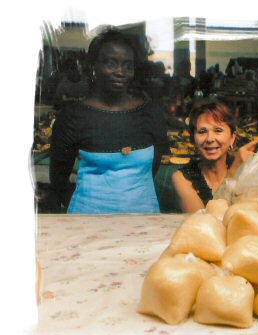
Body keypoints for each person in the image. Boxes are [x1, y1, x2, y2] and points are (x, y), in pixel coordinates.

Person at [50, 28, 169, 214]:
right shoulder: (72, 116)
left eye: (128, 65)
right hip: (87, 225)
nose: (120, 72)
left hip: (145, 223)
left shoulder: (151, 113)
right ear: (93, 66)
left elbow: (153, 167)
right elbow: (58, 179)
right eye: (111, 63)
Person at [171, 100, 258, 213]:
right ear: (193, 139)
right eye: (202, 131)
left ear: (232, 138)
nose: (210, 138)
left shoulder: (247, 171)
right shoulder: (182, 178)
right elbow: (203, 223)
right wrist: (233, 172)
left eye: (218, 130)